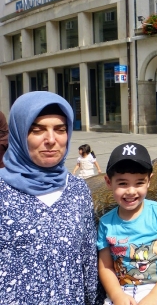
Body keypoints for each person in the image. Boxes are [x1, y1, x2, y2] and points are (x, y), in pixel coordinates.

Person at [0, 91, 97, 304]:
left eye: (60, 130)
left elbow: (89, 261)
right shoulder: (2, 190)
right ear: (19, 134)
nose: (51, 140)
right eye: (37, 130)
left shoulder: (77, 190)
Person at [97, 142, 157, 305]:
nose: (131, 191)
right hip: (122, 290)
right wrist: (116, 295)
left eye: (139, 183)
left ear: (149, 181)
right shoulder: (106, 223)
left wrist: (154, 297)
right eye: (122, 183)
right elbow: (106, 266)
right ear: (109, 182)